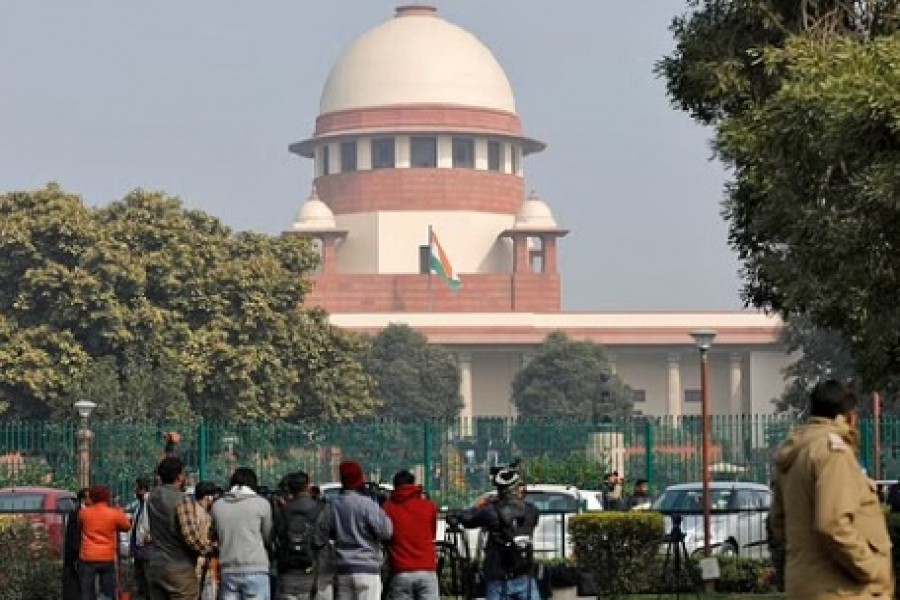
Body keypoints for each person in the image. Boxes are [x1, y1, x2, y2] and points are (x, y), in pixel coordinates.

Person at [770, 380, 893, 600]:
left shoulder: (795, 453)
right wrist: (872, 568)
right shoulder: (833, 452)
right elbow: (833, 524)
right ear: (850, 416)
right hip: (842, 589)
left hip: (807, 583)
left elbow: (778, 522)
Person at [458, 467, 540, 600]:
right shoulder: (532, 511)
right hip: (525, 575)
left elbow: (466, 519)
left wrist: (479, 505)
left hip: (498, 578)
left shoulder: (490, 511)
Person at [317, 461, 393, 600]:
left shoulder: (333, 505)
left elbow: (320, 533)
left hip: (343, 568)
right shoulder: (367, 504)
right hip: (368, 568)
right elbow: (386, 531)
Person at [212, 467, 274, 600]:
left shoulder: (217, 506)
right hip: (256, 568)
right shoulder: (262, 504)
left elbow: (215, 535)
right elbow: (268, 536)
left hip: (228, 569)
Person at [146, 456, 200, 600]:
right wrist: (208, 548)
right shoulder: (182, 500)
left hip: (156, 566)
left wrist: (170, 447)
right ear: (180, 477)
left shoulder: (153, 496)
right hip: (179, 568)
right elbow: (191, 537)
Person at [382, 470, 439, 600]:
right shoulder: (429, 507)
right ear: (413, 484)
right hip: (427, 569)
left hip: (400, 571)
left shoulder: (388, 508)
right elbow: (432, 534)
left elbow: (385, 535)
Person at [275, 471, 332, 600]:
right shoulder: (321, 510)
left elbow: (276, 538)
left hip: (288, 576)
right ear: (307, 487)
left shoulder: (283, 512)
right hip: (315, 576)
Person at [78, 485, 132, 600]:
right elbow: (127, 526)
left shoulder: (84, 513)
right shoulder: (113, 514)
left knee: (86, 592)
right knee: (108, 592)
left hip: (88, 557)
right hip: (106, 557)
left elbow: (80, 526)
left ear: (92, 497)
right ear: (107, 497)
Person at [183, 481, 220, 600]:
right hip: (200, 561)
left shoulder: (194, 510)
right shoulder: (201, 514)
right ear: (207, 497)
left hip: (195, 563)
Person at [63, 487, 90, 600]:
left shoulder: (81, 511)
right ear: (84, 499)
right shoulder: (78, 513)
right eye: (90, 497)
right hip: (77, 553)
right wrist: (77, 554)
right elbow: (74, 535)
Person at [130, 477, 154, 599]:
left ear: (143, 489)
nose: (134, 491)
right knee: (141, 582)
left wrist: (150, 535)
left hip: (147, 548)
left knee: (148, 580)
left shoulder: (150, 502)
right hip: (139, 548)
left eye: (136, 488)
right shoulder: (140, 505)